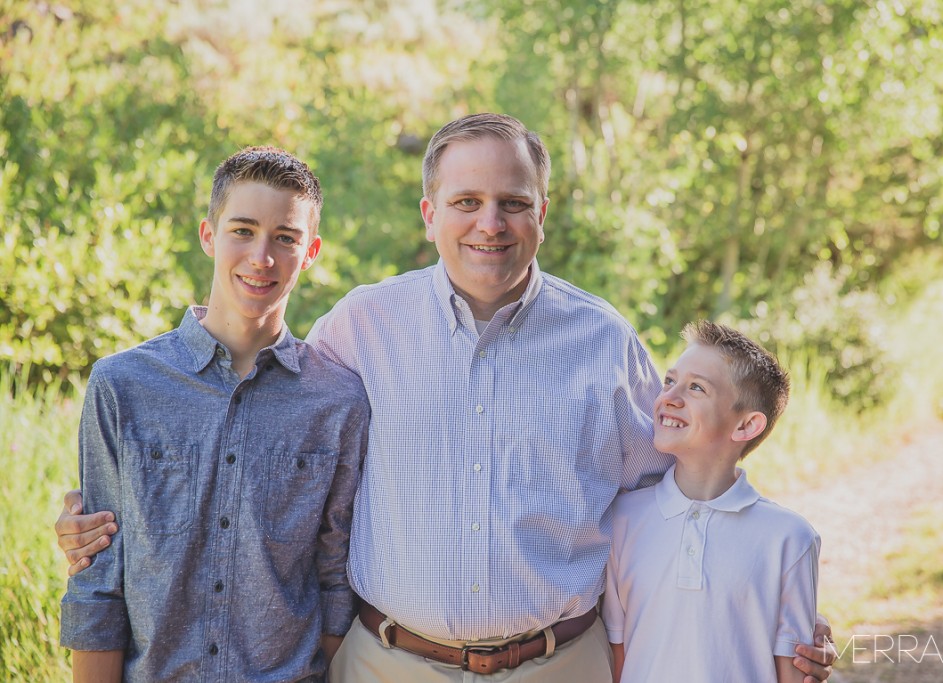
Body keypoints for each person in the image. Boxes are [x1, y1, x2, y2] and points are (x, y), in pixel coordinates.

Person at [55, 114, 836, 682]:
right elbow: (255, 409)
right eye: (465, 202)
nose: (489, 224)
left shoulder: (605, 342)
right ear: (430, 215)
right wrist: (92, 520)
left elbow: (669, 504)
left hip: (561, 664)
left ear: (542, 214)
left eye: (513, 202)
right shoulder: (361, 326)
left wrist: (768, 599)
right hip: (388, 664)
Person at [59, 146, 369, 682]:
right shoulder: (123, 386)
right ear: (209, 235)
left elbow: (335, 581)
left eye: (286, 238)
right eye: (243, 230)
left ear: (311, 251)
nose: (262, 257)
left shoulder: (339, 401)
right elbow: (97, 581)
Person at [602, 320, 819, 683]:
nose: (669, 396)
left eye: (696, 388)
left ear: (746, 426)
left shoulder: (790, 538)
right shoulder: (622, 519)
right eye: (670, 381)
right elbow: (618, 655)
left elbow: (794, 671)